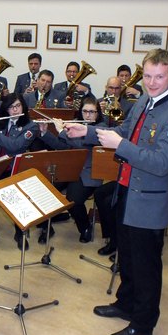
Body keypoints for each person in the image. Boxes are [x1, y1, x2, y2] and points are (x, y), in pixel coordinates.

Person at [65, 48, 168, 335]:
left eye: (158, 76)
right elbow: (121, 130)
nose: (151, 82)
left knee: (147, 265)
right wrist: (84, 131)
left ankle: (143, 323)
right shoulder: (144, 101)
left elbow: (162, 162)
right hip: (126, 191)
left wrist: (120, 144)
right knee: (127, 256)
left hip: (149, 200)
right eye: (147, 75)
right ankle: (126, 303)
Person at [37, 96, 105, 242]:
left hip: (88, 172)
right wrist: (45, 132)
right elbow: (62, 146)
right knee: (43, 190)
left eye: (92, 112)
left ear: (98, 113)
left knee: (73, 199)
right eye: (85, 111)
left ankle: (85, 227)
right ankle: (46, 227)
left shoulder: (102, 128)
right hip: (70, 168)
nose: (88, 115)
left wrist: (62, 130)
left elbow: (83, 145)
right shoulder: (76, 124)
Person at [0, 93, 38, 248]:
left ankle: (20, 232)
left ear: (23, 106)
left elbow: (15, 146)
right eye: (11, 107)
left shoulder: (30, 126)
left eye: (18, 106)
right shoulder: (1, 123)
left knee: (18, 196)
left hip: (16, 168)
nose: (15, 110)